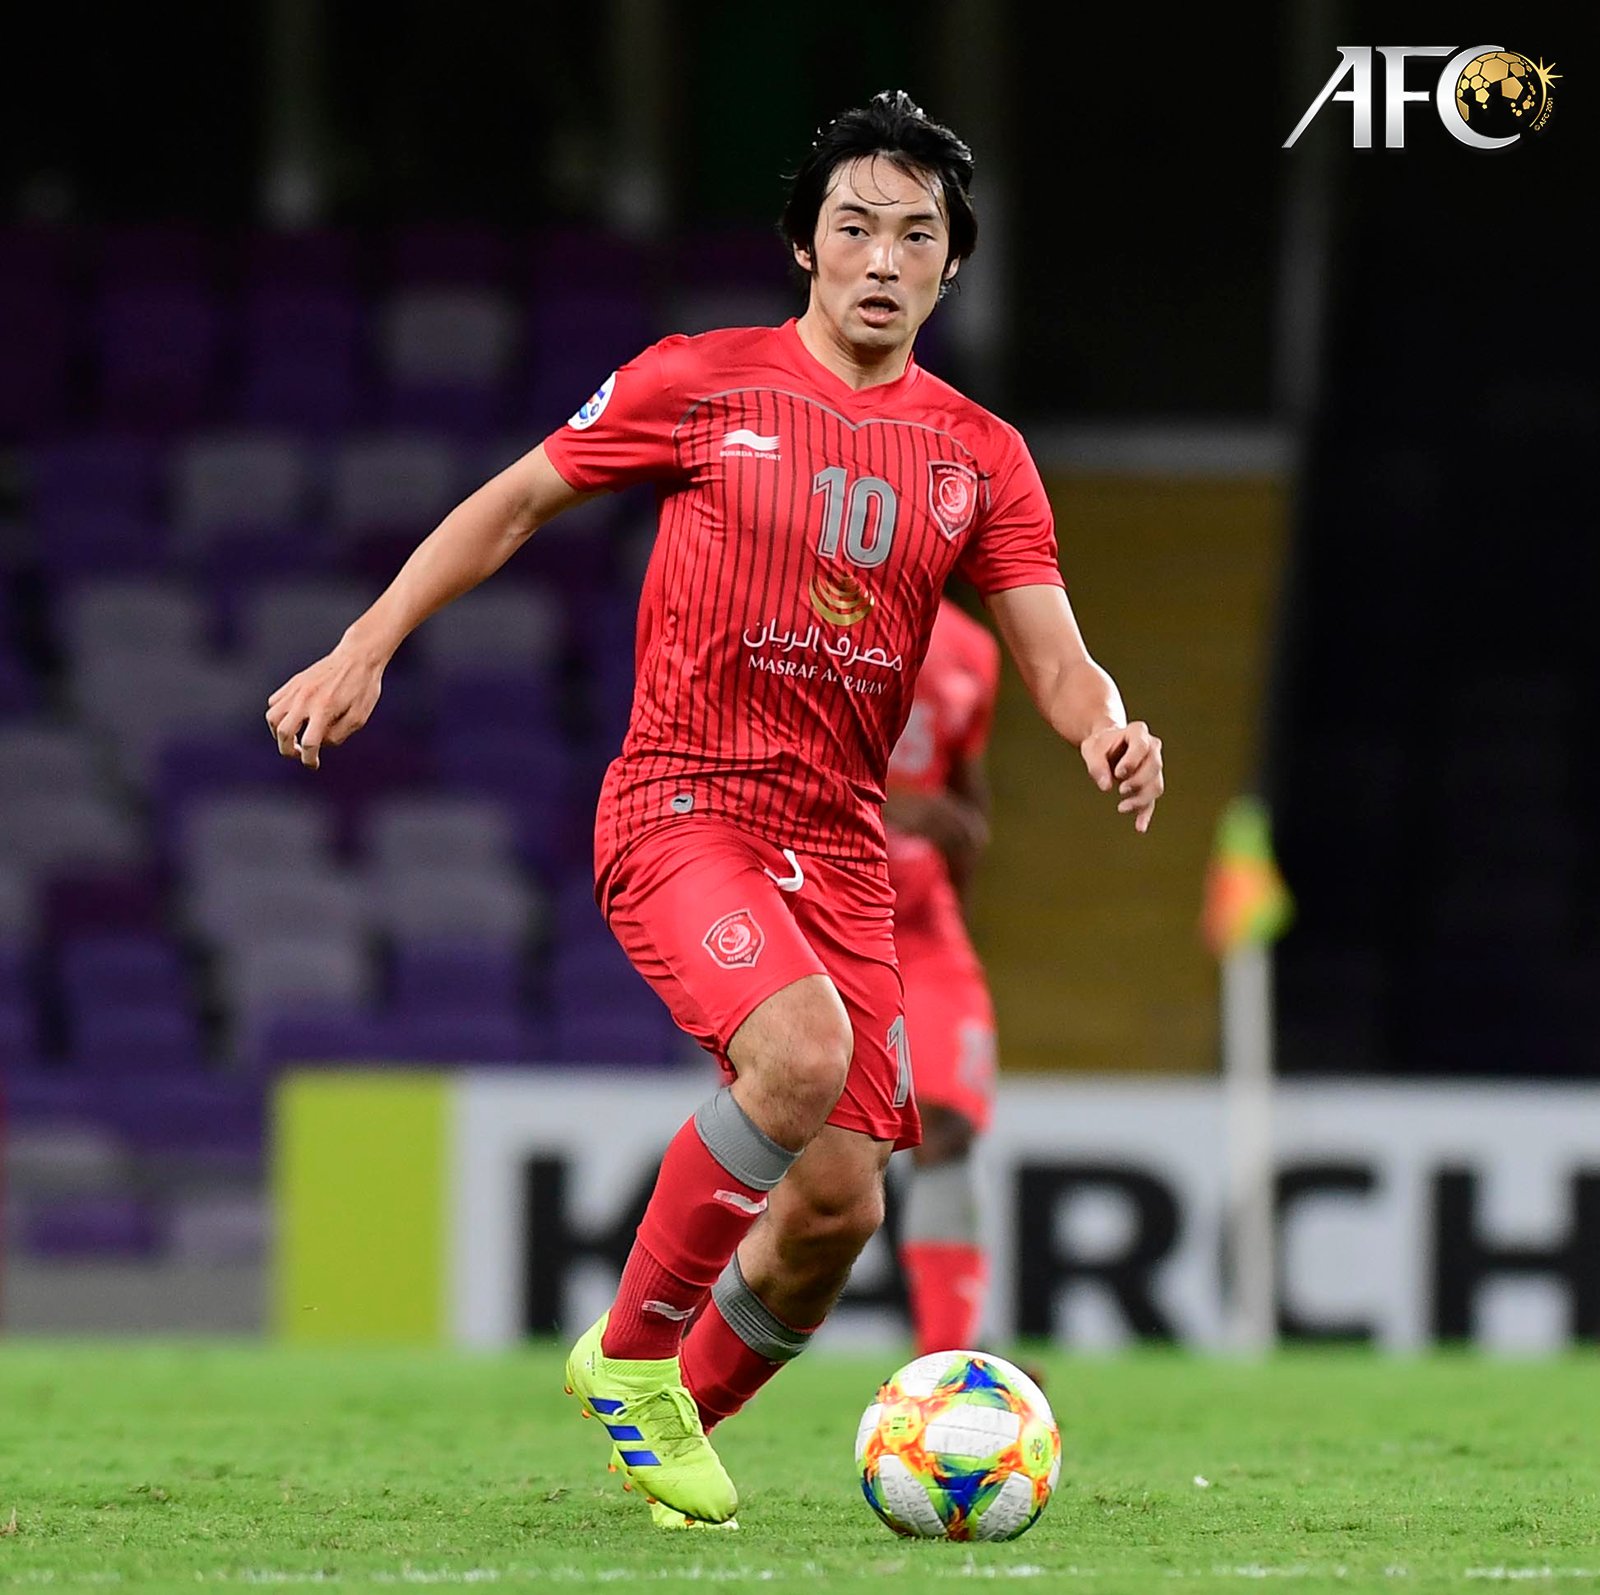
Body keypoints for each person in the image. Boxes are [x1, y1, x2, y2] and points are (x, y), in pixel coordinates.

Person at [264, 89, 1163, 1530]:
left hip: (843, 848)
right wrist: (365, 645)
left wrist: (1109, 725)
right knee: (798, 1052)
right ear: (804, 245)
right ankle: (628, 1359)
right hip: (686, 802)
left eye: (915, 235)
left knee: (839, 1210)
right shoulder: (700, 380)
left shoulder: (980, 454)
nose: (882, 259)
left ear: (950, 264)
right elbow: (512, 502)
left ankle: (667, 1425)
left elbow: (1056, 659)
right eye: (854, 227)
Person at [882, 594, 1002, 1358]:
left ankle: (947, 1360)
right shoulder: (809, 600)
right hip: (811, 901)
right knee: (804, 1152)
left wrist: (959, 835)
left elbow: (965, 794)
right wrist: (889, 806)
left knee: (948, 1126)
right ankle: (687, 1354)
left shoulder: (972, 649)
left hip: (920, 920)